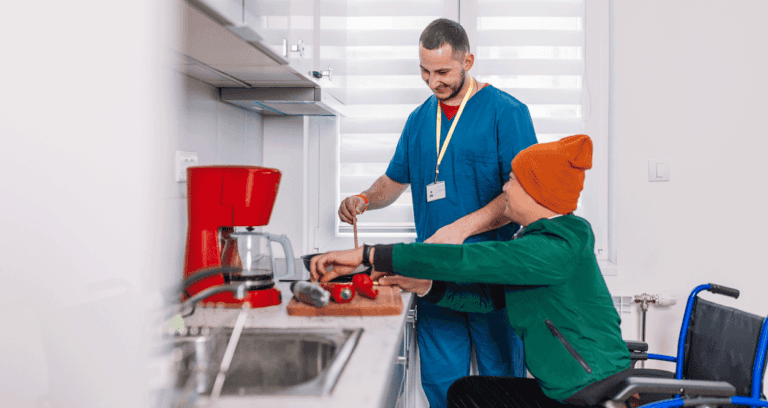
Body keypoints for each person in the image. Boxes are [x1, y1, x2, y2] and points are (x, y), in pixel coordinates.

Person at [314, 135, 632, 408]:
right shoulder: (539, 241)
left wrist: (371, 255)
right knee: (467, 392)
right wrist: (426, 286)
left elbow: (469, 259)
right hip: (570, 386)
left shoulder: (558, 245)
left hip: (589, 392)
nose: (504, 188)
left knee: (471, 395)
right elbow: (488, 297)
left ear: (537, 193)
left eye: (512, 180)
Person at [337, 18, 537, 407]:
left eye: (443, 72)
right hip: (433, 278)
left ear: (468, 61)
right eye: (425, 72)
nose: (433, 82)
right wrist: (363, 197)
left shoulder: (507, 112)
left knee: (505, 386)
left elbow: (521, 195)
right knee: (443, 386)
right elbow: (394, 181)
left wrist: (460, 229)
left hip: (490, 274)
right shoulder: (417, 120)